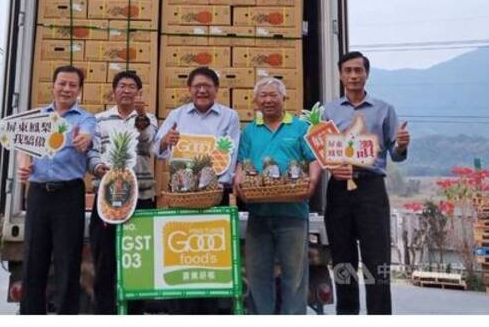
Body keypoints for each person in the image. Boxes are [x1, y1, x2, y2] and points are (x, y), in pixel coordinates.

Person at [323, 51, 410, 315]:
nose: (353, 76)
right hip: (339, 190)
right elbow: (320, 150)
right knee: (343, 260)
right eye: (348, 71)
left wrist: (401, 145)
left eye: (358, 70)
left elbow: (396, 153)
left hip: (371, 189)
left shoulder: (384, 110)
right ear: (340, 75)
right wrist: (331, 167)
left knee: (377, 261)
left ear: (367, 74)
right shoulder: (328, 111)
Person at [152, 66, 240, 314]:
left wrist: (221, 182)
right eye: (197, 86)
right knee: (183, 253)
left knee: (211, 256)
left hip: (214, 194)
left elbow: (232, 153)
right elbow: (157, 149)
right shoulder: (177, 115)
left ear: (216, 89)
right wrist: (166, 141)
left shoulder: (229, 116)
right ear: (189, 89)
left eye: (207, 86)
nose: (202, 90)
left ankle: (210, 311)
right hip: (181, 194)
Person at [234, 77, 321, 315]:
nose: (268, 100)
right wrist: (238, 180)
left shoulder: (300, 127)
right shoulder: (250, 131)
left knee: (295, 276)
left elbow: (314, 159)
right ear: (255, 101)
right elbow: (241, 163)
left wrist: (313, 181)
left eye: (273, 95)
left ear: (284, 98)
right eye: (263, 96)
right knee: (257, 274)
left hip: (293, 212)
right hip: (259, 213)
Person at [17, 65, 95, 315]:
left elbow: (87, 137)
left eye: (73, 85)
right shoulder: (37, 118)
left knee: (68, 262)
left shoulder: (85, 119)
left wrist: (83, 140)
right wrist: (24, 166)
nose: (66, 89)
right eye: (62, 83)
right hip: (38, 194)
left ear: (79, 90)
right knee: (33, 260)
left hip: (68, 195)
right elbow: (24, 147)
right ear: (53, 86)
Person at [86, 70, 158, 314]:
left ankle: (135, 312)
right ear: (114, 91)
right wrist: (97, 167)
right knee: (104, 258)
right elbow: (92, 152)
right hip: (107, 196)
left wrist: (141, 116)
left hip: (142, 196)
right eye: (122, 86)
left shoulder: (149, 118)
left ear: (139, 92)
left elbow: (148, 142)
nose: (126, 90)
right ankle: (104, 312)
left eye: (131, 86)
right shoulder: (99, 120)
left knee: (139, 259)